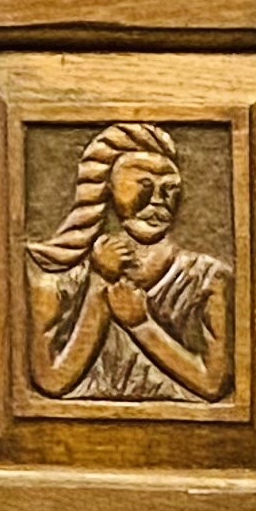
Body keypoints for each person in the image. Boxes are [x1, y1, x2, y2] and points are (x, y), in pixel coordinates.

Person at [25, 122, 235, 403]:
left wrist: (140, 324)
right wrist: (99, 286)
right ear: (105, 187)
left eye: (170, 189)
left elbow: (211, 385)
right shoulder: (57, 280)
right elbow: (52, 380)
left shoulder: (208, 279)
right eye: (143, 187)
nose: (159, 202)